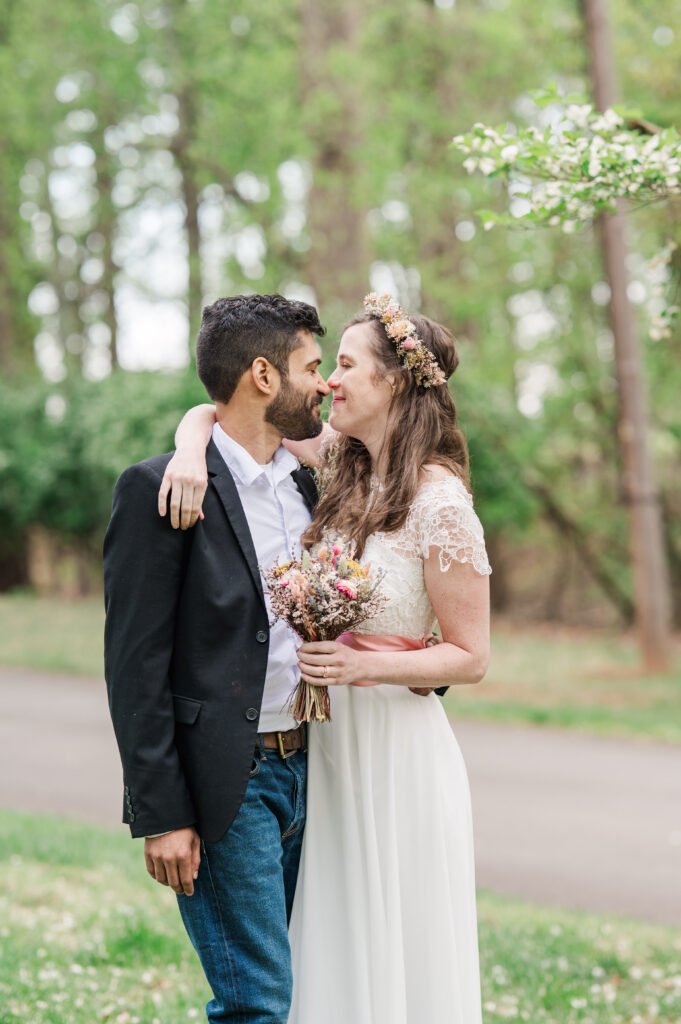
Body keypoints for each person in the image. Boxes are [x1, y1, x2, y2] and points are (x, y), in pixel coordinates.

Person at [167, 291, 492, 1023]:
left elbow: (471, 657)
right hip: (328, 753)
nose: (327, 382)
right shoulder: (343, 468)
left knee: (393, 942)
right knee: (326, 950)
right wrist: (189, 447)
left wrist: (360, 666)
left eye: (344, 366)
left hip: (395, 754)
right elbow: (226, 416)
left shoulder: (440, 502)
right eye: (327, 365)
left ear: (394, 384)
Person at [103, 293, 330, 1024]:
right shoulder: (164, 488)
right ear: (263, 376)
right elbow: (134, 665)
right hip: (229, 785)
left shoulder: (309, 484)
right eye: (311, 367)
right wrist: (161, 813)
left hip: (318, 772)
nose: (322, 383)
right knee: (256, 1003)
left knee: (313, 980)